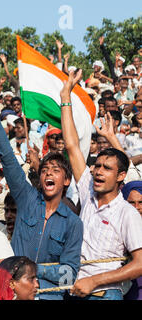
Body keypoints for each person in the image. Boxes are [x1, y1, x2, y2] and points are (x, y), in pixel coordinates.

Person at [0, 83, 83, 300]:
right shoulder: (26, 198)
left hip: (49, 296)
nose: (48, 173)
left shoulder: (73, 223)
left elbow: (69, 276)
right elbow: (7, 157)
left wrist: (33, 270)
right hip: (12, 295)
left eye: (55, 171)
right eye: (44, 169)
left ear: (66, 180)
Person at [60, 69, 142, 300]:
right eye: (97, 166)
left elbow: (140, 264)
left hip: (106, 294)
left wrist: (95, 280)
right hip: (75, 289)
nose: (98, 171)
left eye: (107, 168)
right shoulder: (87, 188)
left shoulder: (127, 213)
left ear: (120, 176)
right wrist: (65, 96)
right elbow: (72, 146)